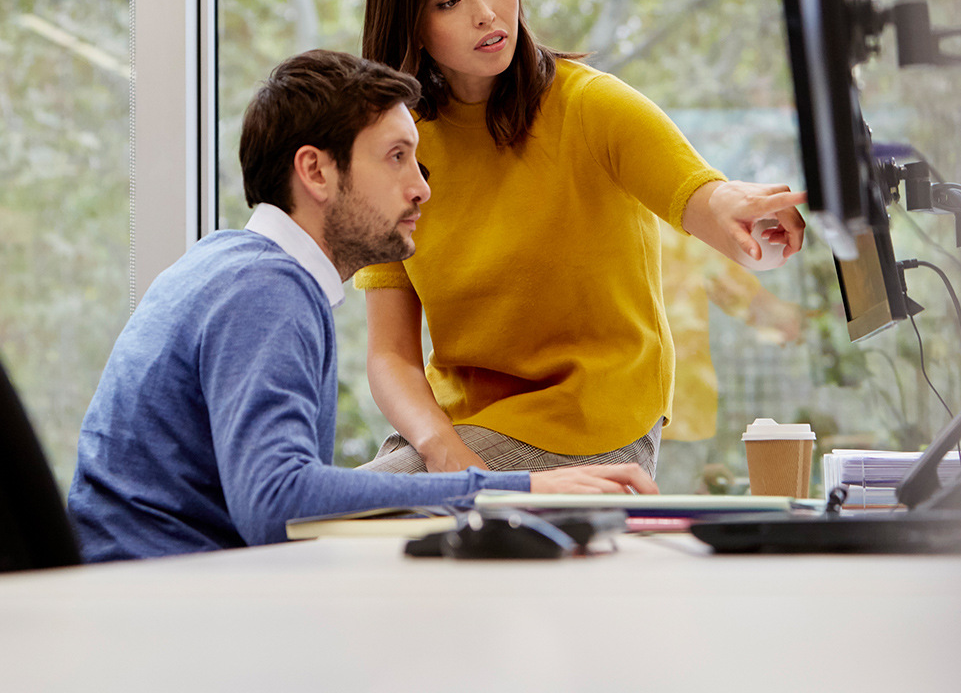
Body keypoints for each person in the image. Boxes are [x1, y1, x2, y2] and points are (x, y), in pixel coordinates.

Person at [68, 50, 655, 562]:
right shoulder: (266, 291)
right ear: (316, 170)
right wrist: (515, 490)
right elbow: (276, 503)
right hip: (158, 610)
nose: (422, 187)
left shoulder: (233, 265)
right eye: (396, 157)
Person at [355, 0, 807, 479]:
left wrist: (754, 219)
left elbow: (706, 199)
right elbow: (389, 353)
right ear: (410, 25)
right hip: (456, 432)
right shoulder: (400, 149)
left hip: (590, 421)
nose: (488, 14)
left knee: (334, 511)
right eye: (450, 2)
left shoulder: (592, 105)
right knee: (333, 510)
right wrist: (445, 454)